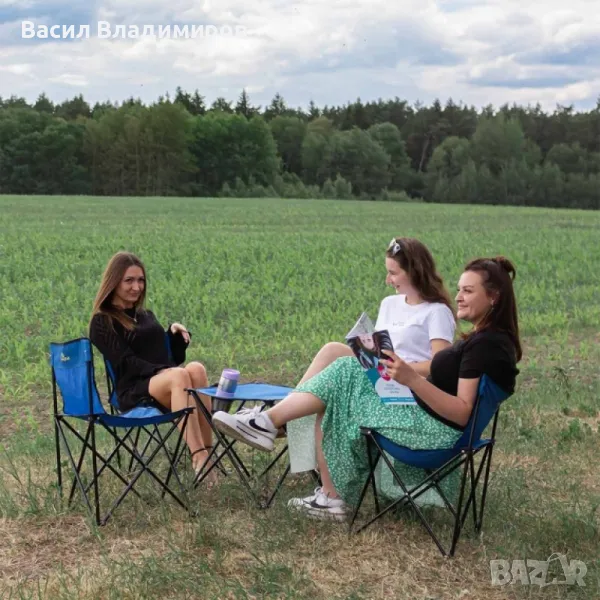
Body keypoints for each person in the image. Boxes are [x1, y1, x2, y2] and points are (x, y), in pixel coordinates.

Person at [212, 255, 521, 520]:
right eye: (459, 289)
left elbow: (462, 413)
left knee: (344, 374)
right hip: (428, 422)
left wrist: (411, 379)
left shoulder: (486, 345)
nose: (459, 297)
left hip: (433, 435)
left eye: (468, 291)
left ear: (493, 297)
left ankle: (271, 426)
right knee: (342, 368)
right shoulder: (490, 340)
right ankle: (280, 437)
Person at [88, 251, 215, 481]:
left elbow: (167, 359)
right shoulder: (102, 321)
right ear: (114, 282)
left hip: (163, 382)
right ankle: (199, 457)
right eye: (129, 280)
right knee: (178, 376)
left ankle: (208, 453)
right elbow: (125, 362)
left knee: (196, 368)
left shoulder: (145, 314)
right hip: (134, 390)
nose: (136, 287)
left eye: (140, 280)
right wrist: (162, 371)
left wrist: (174, 335)